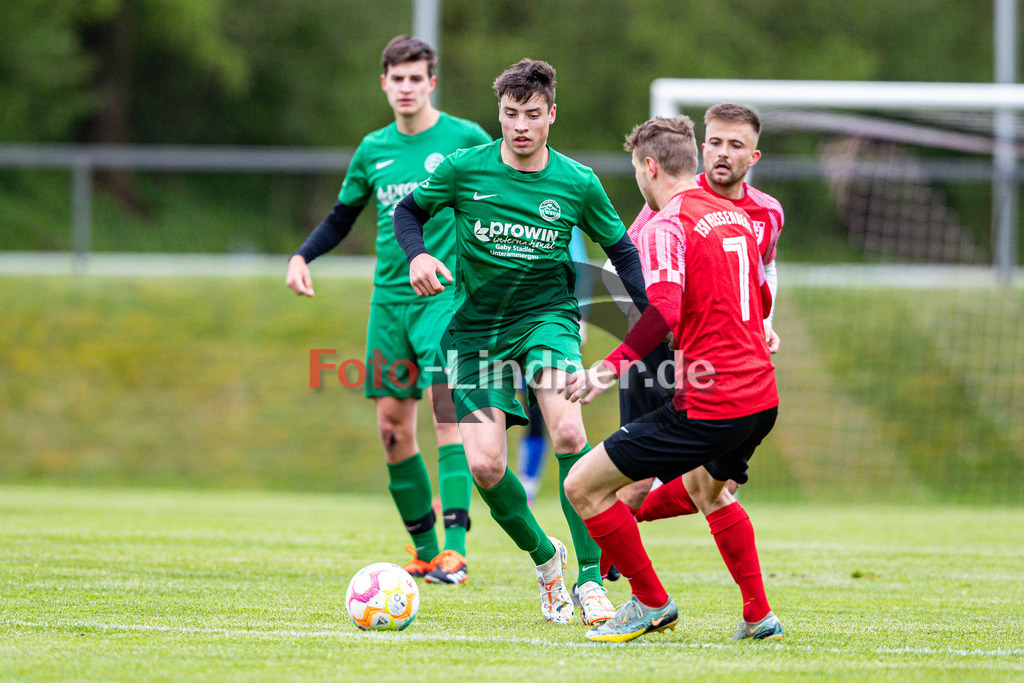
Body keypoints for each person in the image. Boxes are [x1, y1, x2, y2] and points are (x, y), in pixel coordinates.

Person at [393, 59, 647, 625]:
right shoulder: (465, 170)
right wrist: (421, 255)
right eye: (511, 114)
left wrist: (652, 317)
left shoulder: (577, 181)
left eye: (533, 115)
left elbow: (623, 253)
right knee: (484, 466)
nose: (521, 126)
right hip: (478, 332)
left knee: (567, 429)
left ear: (552, 115)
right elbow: (407, 212)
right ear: (500, 115)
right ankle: (546, 558)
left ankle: (588, 579)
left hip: (547, 320)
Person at [561, 115, 784, 643]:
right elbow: (759, 300)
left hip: (713, 401)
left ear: (649, 167)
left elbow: (661, 311)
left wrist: (604, 370)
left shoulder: (666, 223)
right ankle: (758, 616)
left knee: (583, 487)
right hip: (761, 397)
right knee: (711, 489)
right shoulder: (734, 215)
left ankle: (649, 602)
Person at [286, 36, 491, 585]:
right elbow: (341, 216)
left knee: (450, 417)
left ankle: (455, 550)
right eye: (395, 79)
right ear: (384, 83)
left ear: (431, 82)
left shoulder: (465, 139)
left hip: (445, 303)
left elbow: (496, 197)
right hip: (389, 305)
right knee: (392, 430)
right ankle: (424, 554)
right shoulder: (372, 149)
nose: (405, 87)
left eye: (415, 78)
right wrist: (304, 255)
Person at [614, 103, 785, 523]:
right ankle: (597, 574)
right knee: (633, 476)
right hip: (662, 347)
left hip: (725, 356)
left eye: (735, 144)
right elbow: (623, 267)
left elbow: (764, 268)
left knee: (721, 483)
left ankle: (621, 539)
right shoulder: (667, 205)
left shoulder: (767, 212)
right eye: (715, 142)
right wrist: (662, 330)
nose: (723, 153)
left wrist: (765, 322)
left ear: (753, 156)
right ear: (701, 147)